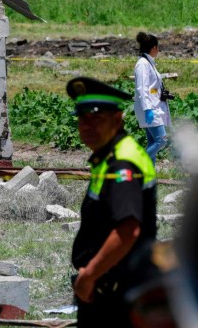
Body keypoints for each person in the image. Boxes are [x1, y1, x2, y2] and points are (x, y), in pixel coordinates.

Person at [67, 76, 157, 328]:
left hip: (116, 291)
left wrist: (90, 275)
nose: (87, 125)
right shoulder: (109, 155)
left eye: (96, 117)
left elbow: (128, 229)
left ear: (117, 119)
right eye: (82, 117)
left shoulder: (121, 164)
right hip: (114, 285)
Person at [134, 32, 171, 165]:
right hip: (149, 109)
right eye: (158, 48)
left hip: (153, 107)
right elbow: (142, 88)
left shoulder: (149, 63)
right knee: (161, 140)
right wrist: (148, 109)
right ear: (154, 48)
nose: (158, 50)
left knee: (152, 142)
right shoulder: (143, 64)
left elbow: (151, 88)